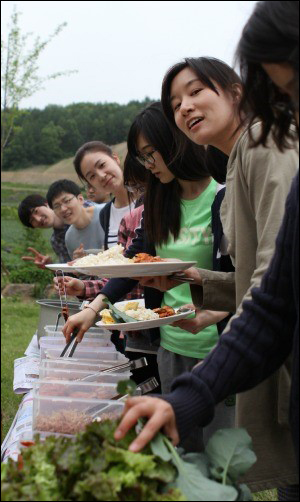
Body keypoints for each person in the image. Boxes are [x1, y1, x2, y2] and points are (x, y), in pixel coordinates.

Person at [114, 1, 299, 498]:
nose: (185, 107)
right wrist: (194, 282)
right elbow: (275, 279)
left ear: (240, 91)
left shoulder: (265, 147)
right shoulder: (239, 162)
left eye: (196, 91)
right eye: (175, 104)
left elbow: (272, 290)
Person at [61, 102, 232, 451]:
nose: (148, 165)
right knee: (181, 453)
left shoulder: (222, 196)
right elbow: (131, 264)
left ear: (176, 141)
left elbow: (240, 278)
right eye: (142, 158)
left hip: (220, 348)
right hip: (172, 345)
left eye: (151, 154)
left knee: (223, 459)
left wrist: (214, 316)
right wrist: (92, 310)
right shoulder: (159, 199)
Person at [46, 179, 106, 261]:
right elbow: (82, 272)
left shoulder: (107, 212)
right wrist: (78, 265)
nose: (63, 209)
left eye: (67, 201)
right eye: (56, 206)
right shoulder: (69, 237)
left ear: (80, 199)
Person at [18, 193, 71, 267]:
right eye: (32, 220)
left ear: (47, 204)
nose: (38, 219)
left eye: (36, 211)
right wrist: (50, 265)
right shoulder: (56, 241)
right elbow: (70, 270)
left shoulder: (77, 213)